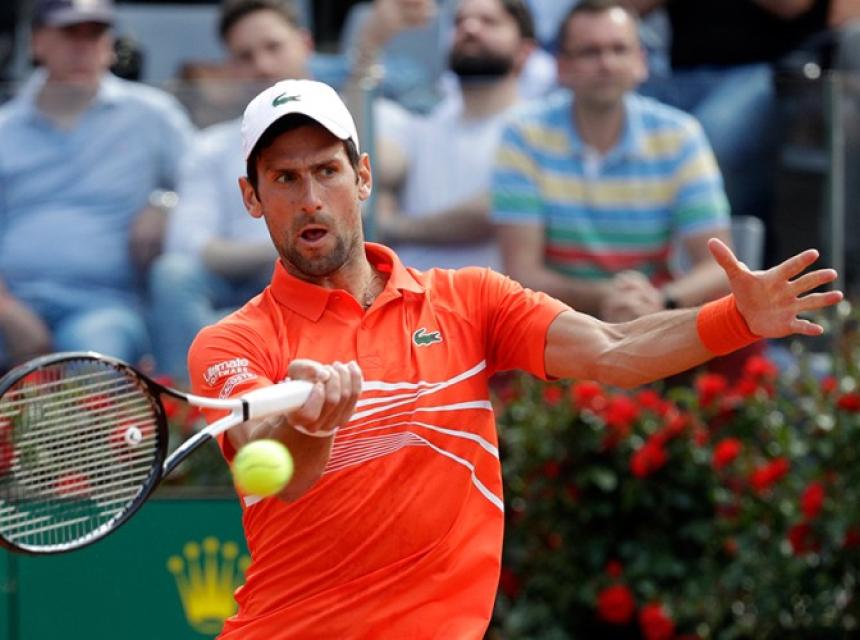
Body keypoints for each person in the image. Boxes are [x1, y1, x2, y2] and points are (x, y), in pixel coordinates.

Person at [186, 77, 841, 638]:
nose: (309, 198)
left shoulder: (470, 300)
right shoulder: (232, 343)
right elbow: (270, 466)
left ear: (362, 178)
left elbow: (614, 350)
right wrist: (310, 426)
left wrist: (735, 319)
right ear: (252, 197)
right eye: (285, 178)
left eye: (327, 170)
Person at [148, 0, 416, 381]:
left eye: (273, 47)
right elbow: (188, 245)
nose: (262, 64)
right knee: (173, 274)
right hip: (240, 280)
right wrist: (290, 244)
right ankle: (190, 408)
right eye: (245, 56)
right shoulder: (210, 147)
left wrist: (364, 57)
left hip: (324, 272)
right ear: (251, 194)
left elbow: (393, 163)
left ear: (305, 44)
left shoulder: (365, 113)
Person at [492, 0, 731, 322]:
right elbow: (522, 274)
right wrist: (614, 298)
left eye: (619, 49)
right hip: (557, 325)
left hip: (652, 322)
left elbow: (718, 268)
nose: (606, 63)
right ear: (561, 66)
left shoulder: (679, 135)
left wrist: (661, 300)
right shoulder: (524, 134)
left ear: (641, 62)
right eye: (589, 52)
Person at [0, 0, 193, 373]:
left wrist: (165, 203)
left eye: (95, 34)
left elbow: (206, 187)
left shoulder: (153, 114)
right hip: (11, 301)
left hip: (105, 306)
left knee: (95, 360)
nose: (82, 47)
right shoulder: (5, 128)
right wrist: (6, 309)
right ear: (37, 42)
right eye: (69, 33)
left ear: (109, 44)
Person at [630, 0, 831, 261]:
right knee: (619, 122)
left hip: (766, 69)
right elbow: (622, 7)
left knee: (711, 141)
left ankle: (713, 265)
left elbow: (793, 5)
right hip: (677, 74)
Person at [371, 0, 537, 272]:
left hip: (486, 297)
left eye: (489, 21)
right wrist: (372, 40)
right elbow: (374, 172)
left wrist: (394, 226)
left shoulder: (537, 130)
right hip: (408, 296)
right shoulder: (421, 122)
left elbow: (493, 208)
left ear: (525, 51)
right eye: (460, 21)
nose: (469, 28)